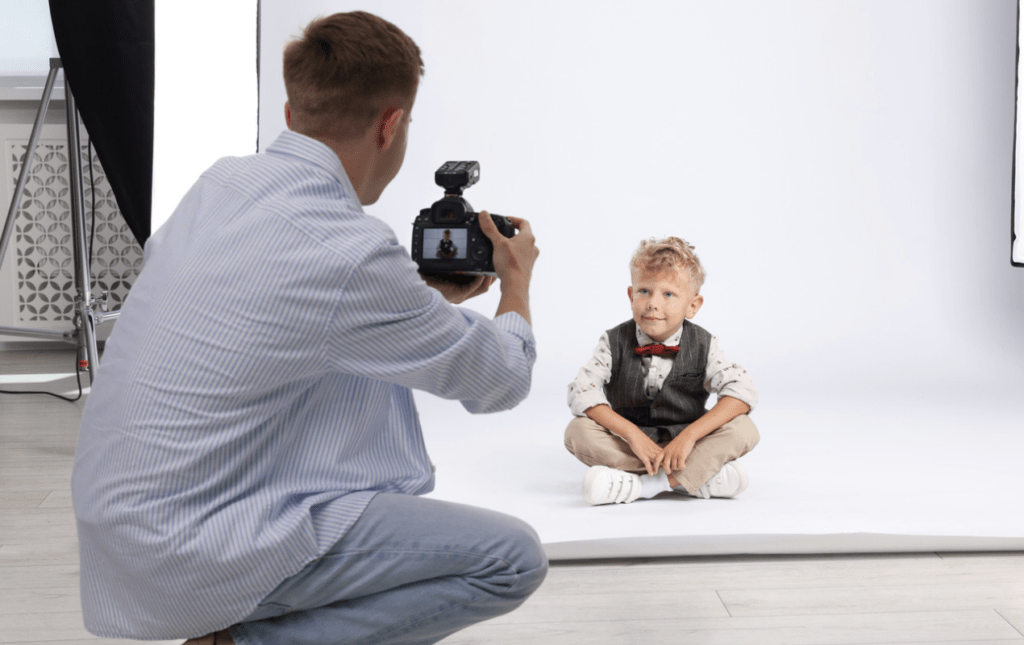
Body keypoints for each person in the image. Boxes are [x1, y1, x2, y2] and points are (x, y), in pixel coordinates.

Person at [70, 11, 544, 645]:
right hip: (189, 552)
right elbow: (501, 380)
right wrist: (516, 283)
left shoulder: (220, 186)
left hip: (118, 530)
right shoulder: (349, 253)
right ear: (390, 124)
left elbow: (278, 316)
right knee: (511, 560)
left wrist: (417, 299)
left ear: (292, 113)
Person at [564, 237, 760, 505]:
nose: (653, 303)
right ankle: (693, 477)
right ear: (631, 295)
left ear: (693, 305)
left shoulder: (704, 343)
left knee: (744, 428)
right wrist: (632, 435)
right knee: (578, 431)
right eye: (644, 291)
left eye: (668, 294)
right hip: (631, 441)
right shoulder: (613, 341)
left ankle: (642, 485)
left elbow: (742, 391)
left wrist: (690, 436)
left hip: (686, 440)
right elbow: (582, 391)